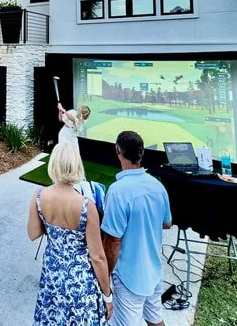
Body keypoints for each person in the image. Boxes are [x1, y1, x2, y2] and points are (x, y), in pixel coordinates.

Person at [27, 143, 112, 325]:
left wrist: (51, 224)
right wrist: (107, 295)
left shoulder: (39, 196)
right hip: (79, 280)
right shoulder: (86, 206)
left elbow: (33, 233)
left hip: (52, 275)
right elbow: (97, 257)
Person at [102, 131, 172, 326]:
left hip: (128, 278)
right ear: (141, 153)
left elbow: (113, 240)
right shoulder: (157, 186)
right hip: (153, 271)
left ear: (118, 151)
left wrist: (105, 276)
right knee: (155, 319)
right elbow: (167, 223)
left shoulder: (117, 191)